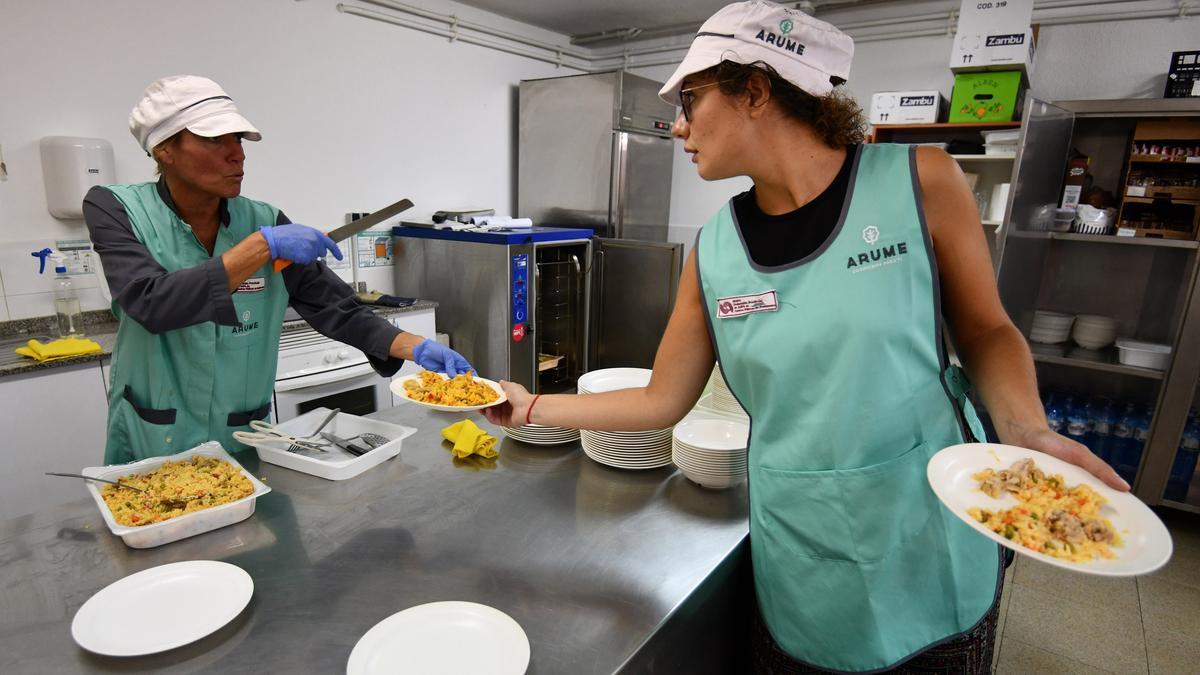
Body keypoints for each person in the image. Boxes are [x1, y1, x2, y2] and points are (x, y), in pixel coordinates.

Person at [484, 2, 1129, 672]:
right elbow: (661, 399)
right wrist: (529, 405)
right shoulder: (716, 250)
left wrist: (1025, 429)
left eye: (691, 100)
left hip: (925, 533)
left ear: (755, 90)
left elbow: (987, 330)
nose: (677, 126)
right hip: (803, 553)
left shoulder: (920, 181)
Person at [85, 74, 471, 465]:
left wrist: (415, 347)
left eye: (238, 139)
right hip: (156, 433)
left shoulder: (262, 217)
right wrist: (260, 246)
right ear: (165, 149)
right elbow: (151, 303)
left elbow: (335, 306)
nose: (238, 154)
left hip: (241, 432)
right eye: (216, 140)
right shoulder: (114, 208)